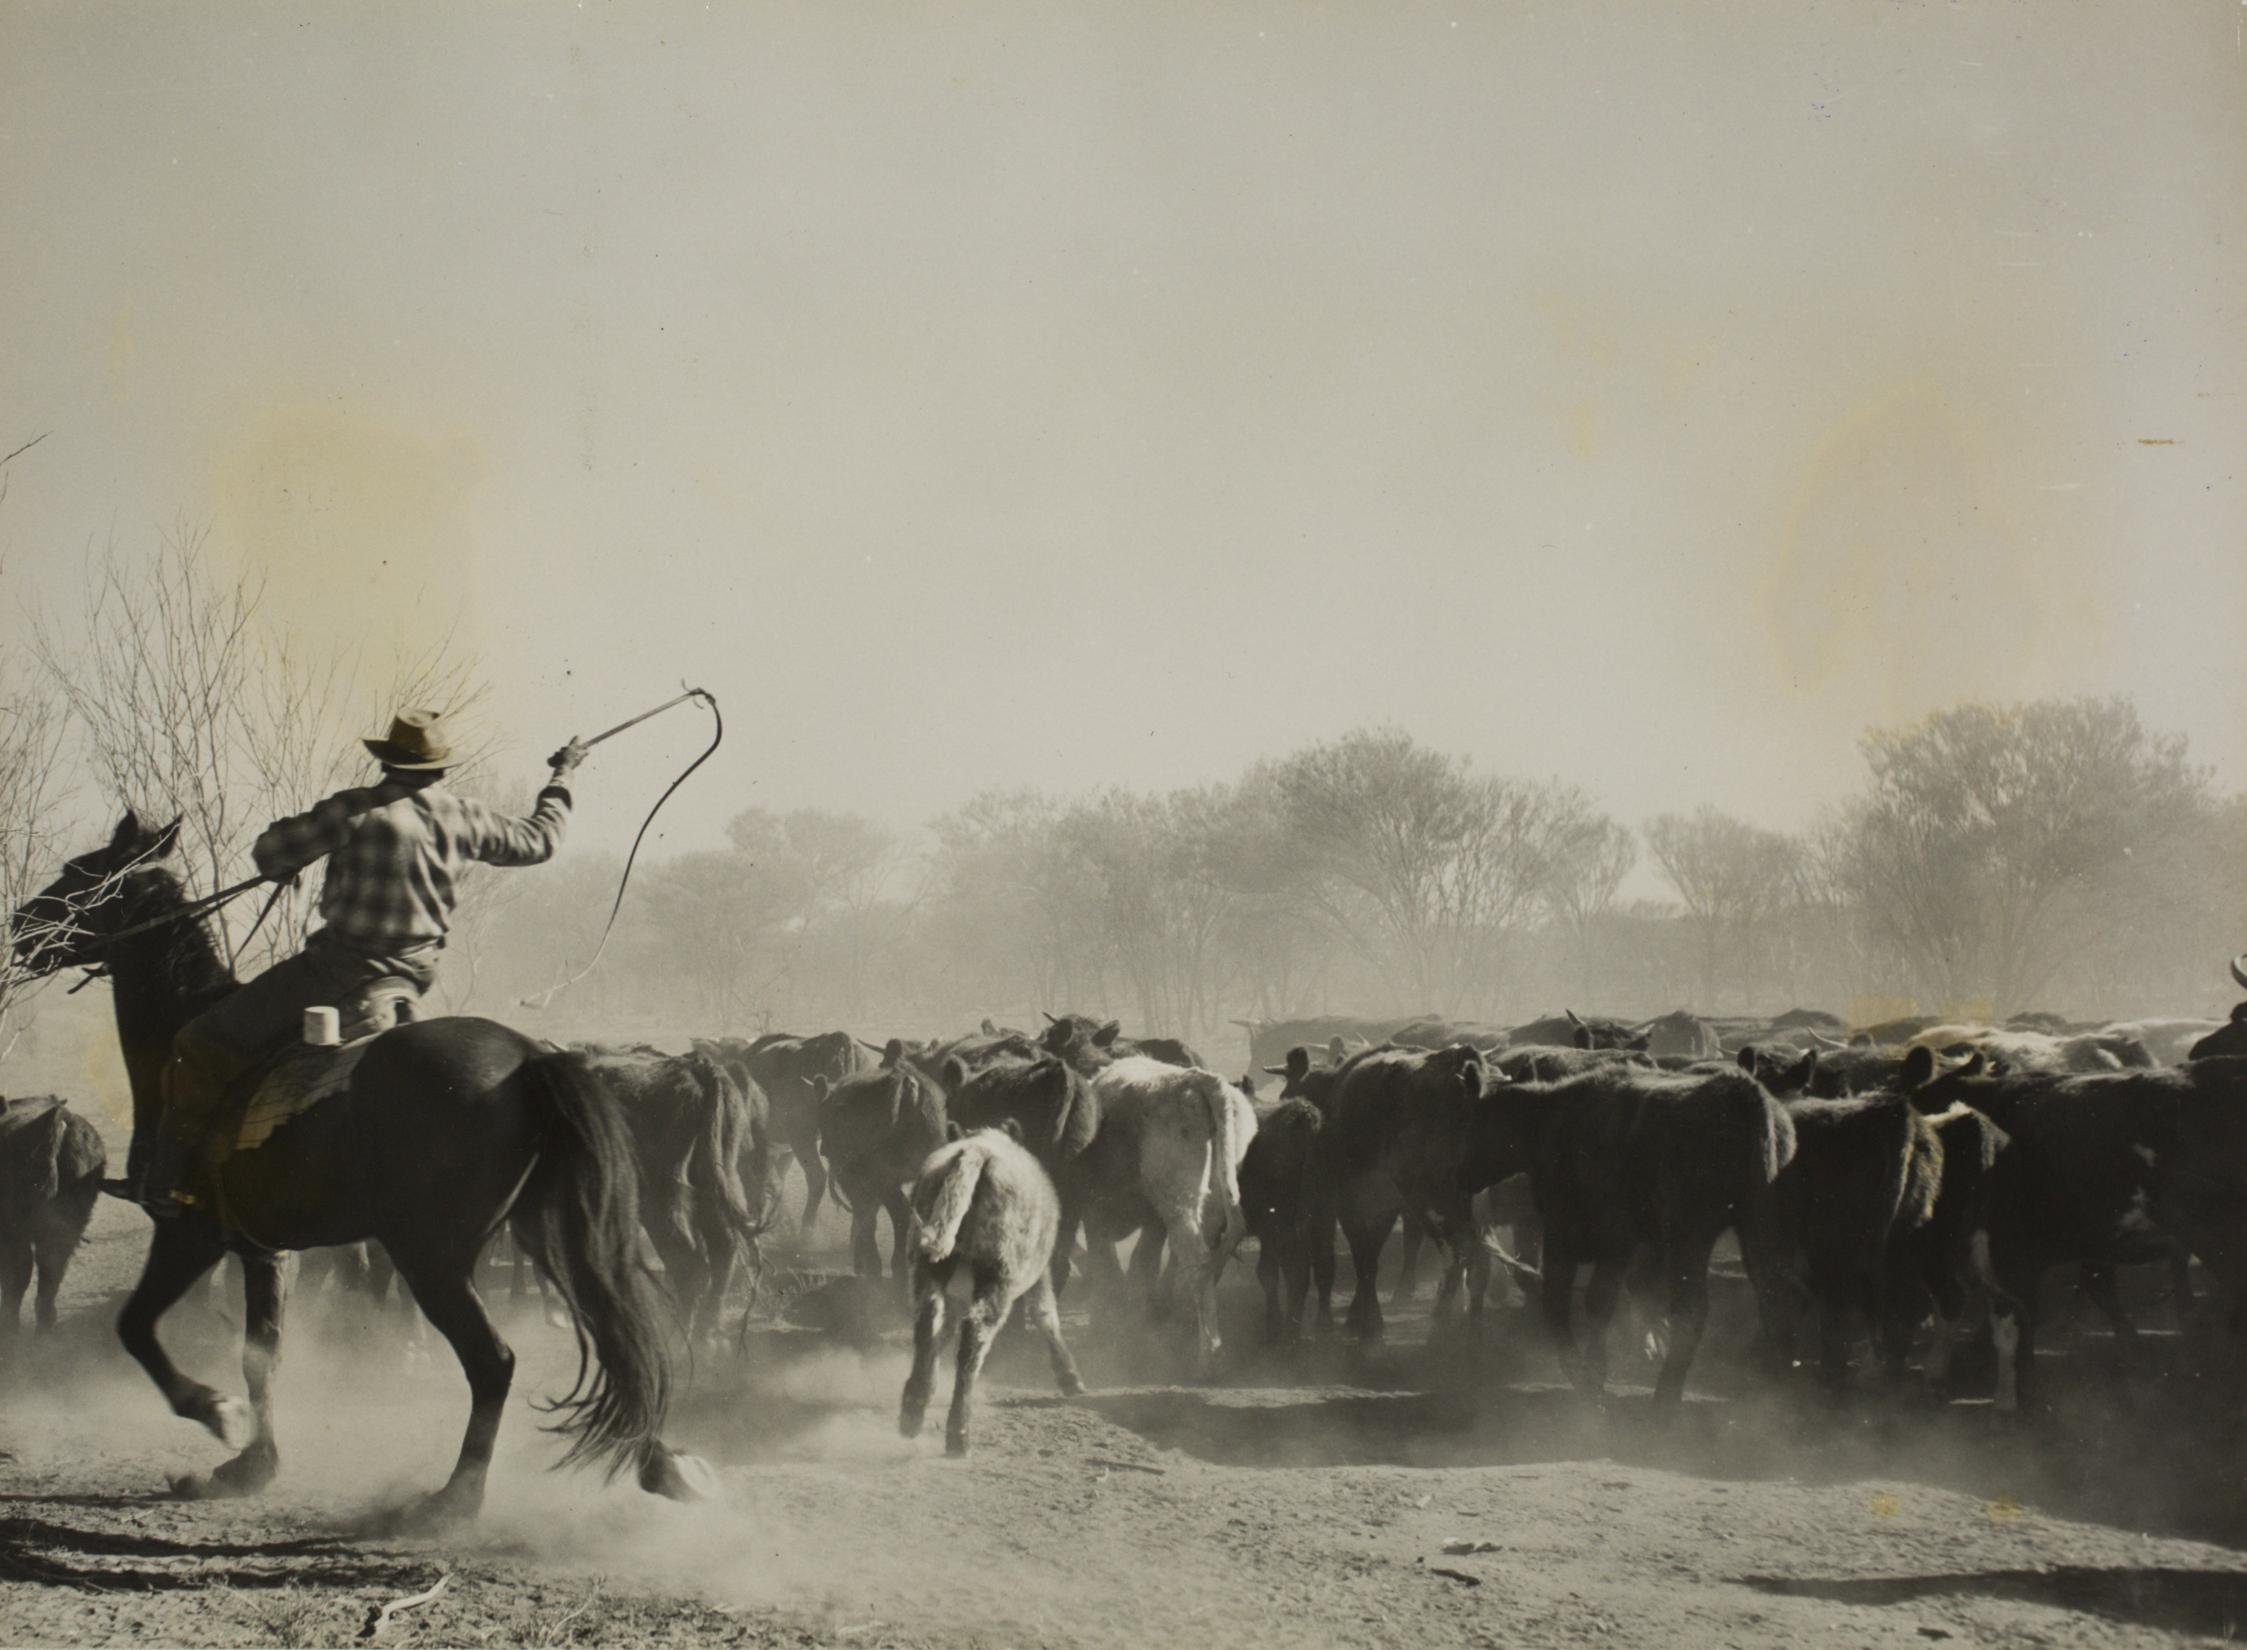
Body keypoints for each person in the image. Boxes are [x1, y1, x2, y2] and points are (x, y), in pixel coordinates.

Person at [140, 709, 588, 1218]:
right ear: (441, 769)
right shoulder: (467, 817)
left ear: (387, 761)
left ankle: (170, 1183)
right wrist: (564, 773)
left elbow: (269, 853)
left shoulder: (353, 809)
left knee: (199, 1043)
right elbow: (541, 840)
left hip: (336, 973)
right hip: (412, 979)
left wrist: (289, 862)